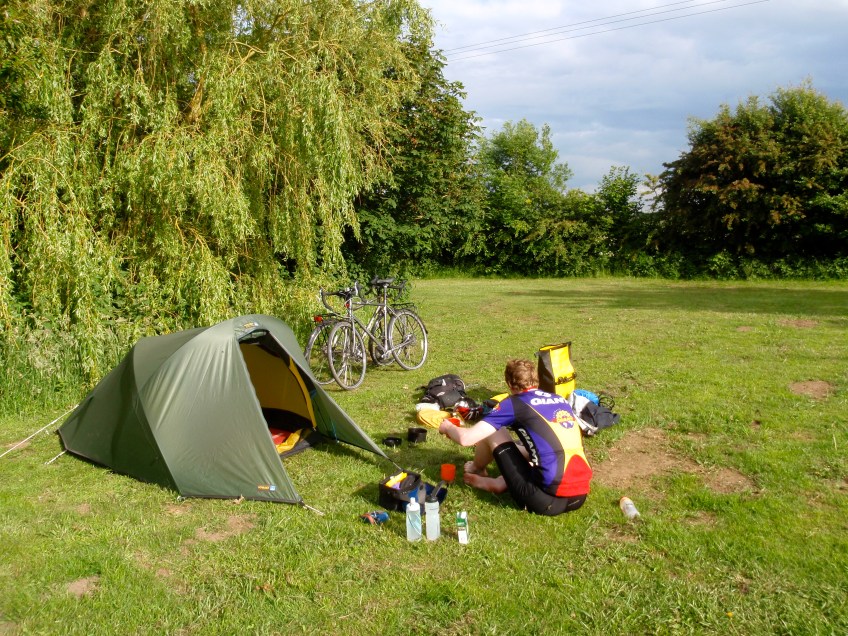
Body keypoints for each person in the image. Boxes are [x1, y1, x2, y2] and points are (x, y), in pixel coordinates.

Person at [438, 358, 592, 516]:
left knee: (495, 430)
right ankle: (502, 481)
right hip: (579, 496)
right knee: (541, 448)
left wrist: (448, 427)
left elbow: (466, 439)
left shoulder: (514, 402)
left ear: (510, 384)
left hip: (543, 502)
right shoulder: (559, 400)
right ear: (536, 379)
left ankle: (478, 469)